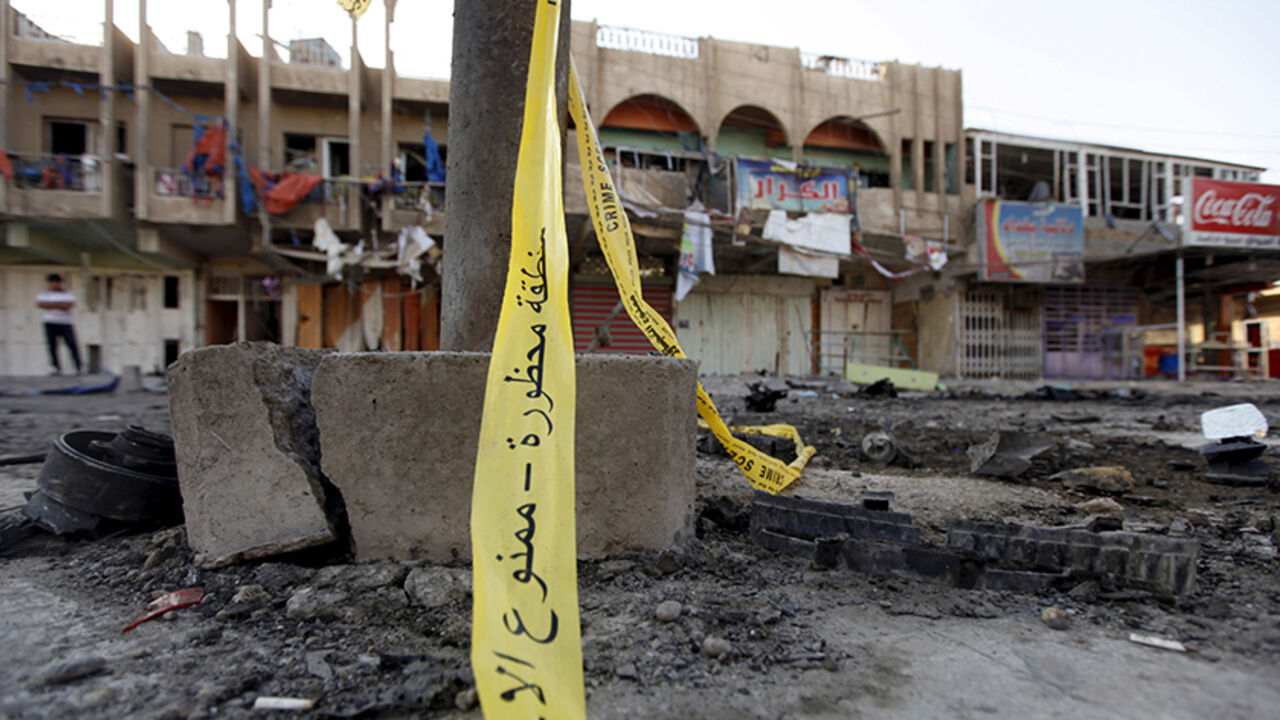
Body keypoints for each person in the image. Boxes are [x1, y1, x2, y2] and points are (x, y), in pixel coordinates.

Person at [36, 273, 82, 375]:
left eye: (56, 282)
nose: (54, 285)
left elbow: (68, 305)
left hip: (65, 322)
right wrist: (59, 304)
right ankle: (55, 367)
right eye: (52, 283)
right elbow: (41, 304)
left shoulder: (68, 294)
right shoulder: (44, 294)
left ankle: (78, 366)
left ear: (60, 283)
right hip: (50, 321)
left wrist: (51, 305)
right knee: (52, 345)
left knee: (71, 343)